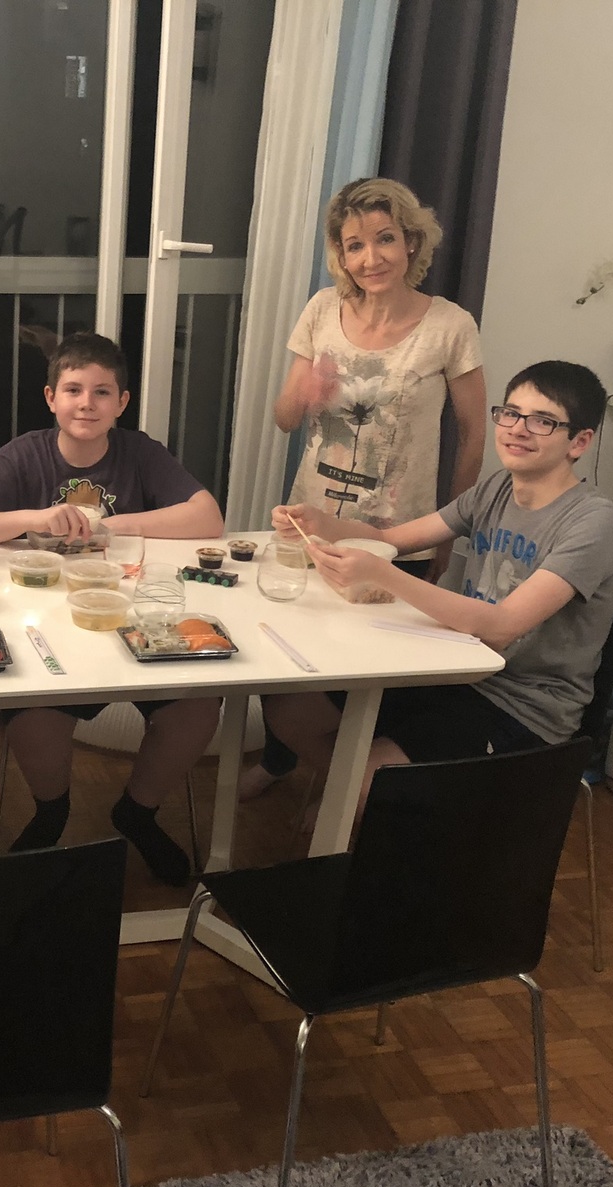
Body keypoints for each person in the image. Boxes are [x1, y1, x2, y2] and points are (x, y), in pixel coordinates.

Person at [261, 360, 613, 829]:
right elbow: (394, 538)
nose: (518, 429)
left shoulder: (595, 523)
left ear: (579, 441)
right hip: (454, 672)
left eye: (543, 421)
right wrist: (323, 524)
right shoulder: (496, 489)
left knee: (359, 785)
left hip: (521, 707)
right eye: (511, 413)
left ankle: (377, 802)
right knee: (290, 710)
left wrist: (383, 575)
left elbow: (503, 627)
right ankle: (380, 803)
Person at [245, 176, 489, 801]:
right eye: (354, 245)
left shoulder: (450, 325)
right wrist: (306, 392)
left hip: (397, 536)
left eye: (385, 239)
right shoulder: (322, 310)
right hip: (311, 525)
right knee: (286, 654)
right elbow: (284, 418)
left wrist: (451, 533)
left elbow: (472, 436)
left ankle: (356, 788)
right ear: (340, 253)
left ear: (412, 243)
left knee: (367, 664)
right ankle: (287, 762)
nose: (370, 258)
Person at [0, 332, 224, 886]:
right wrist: (35, 518)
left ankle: (138, 811)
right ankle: (51, 809)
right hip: (51, 624)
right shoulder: (24, 453)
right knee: (31, 710)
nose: (87, 403)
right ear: (51, 397)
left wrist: (110, 524)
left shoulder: (140, 452)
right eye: (74, 390)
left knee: (200, 704)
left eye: (102, 392)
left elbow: (207, 517)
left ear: (122, 403)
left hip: (134, 619)